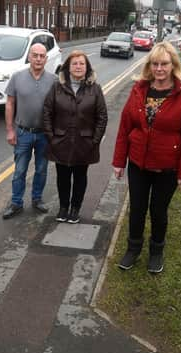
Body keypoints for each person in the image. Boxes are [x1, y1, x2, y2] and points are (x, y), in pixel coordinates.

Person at [112, 41, 181, 273]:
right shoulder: (139, 89)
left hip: (167, 168)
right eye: (155, 64)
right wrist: (119, 161)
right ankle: (133, 249)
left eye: (164, 64)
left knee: (158, 211)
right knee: (137, 208)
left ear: (173, 65)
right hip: (138, 164)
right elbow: (124, 127)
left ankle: (156, 252)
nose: (159, 68)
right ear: (150, 66)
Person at [43, 50, 108, 223]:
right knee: (62, 177)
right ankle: (63, 208)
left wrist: (94, 141)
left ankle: (75, 209)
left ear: (87, 67)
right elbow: (47, 112)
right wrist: (51, 137)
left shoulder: (95, 89)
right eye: (74, 63)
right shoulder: (57, 87)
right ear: (68, 67)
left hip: (84, 143)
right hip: (61, 142)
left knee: (80, 177)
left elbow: (102, 117)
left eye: (82, 63)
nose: (78, 66)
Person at [3, 43, 56, 219]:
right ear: (29, 57)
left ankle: (37, 199)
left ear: (46, 59)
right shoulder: (17, 77)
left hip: (44, 135)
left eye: (42, 56)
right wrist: (10, 130)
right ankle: (16, 203)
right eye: (35, 55)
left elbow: (58, 108)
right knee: (19, 171)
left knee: (41, 169)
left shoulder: (54, 80)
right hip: (23, 132)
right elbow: (10, 103)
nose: (38, 59)